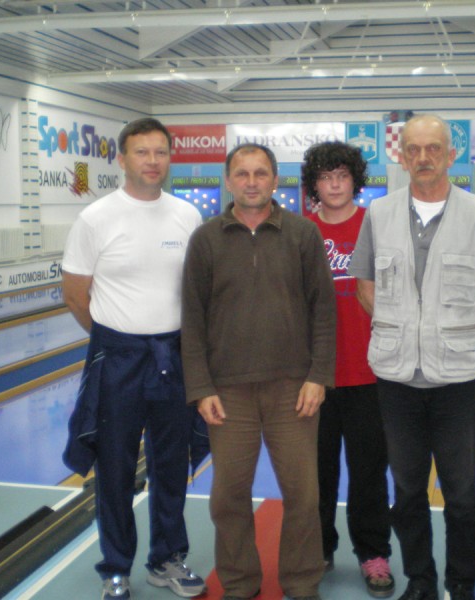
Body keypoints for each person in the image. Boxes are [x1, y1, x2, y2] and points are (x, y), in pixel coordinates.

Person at [348, 114, 475, 600]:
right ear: (400, 157)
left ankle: (461, 584)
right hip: (397, 383)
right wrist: (408, 332)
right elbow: (364, 287)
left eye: (433, 148)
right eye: (414, 149)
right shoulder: (379, 214)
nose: (423, 158)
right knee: (407, 494)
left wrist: (456, 338)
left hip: (456, 385)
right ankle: (421, 581)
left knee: (461, 496)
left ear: (450, 155)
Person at [180, 143, 336, 600]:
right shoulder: (206, 239)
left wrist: (318, 376)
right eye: (243, 173)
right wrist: (201, 387)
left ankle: (302, 582)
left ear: (275, 180)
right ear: (229, 180)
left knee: (303, 494)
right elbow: (193, 319)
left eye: (261, 173)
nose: (252, 182)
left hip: (293, 387)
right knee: (228, 495)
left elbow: (323, 311)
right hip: (228, 391)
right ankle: (239, 582)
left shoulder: (302, 234)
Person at [61, 117, 207, 600]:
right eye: (142, 152)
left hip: (174, 355)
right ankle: (116, 568)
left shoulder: (186, 215)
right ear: (122, 159)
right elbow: (75, 295)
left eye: (160, 152)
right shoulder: (96, 218)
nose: (152, 161)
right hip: (118, 357)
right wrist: (115, 339)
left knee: (172, 463)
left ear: (170, 158)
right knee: (115, 468)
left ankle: (167, 559)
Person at [302, 141, 394, 598]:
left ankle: (373, 552)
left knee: (369, 472)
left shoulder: (376, 226)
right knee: (316, 473)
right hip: (315, 377)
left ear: (355, 180)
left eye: (342, 175)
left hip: (370, 372)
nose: (335, 184)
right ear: (314, 184)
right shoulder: (301, 232)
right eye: (325, 177)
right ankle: (320, 547)